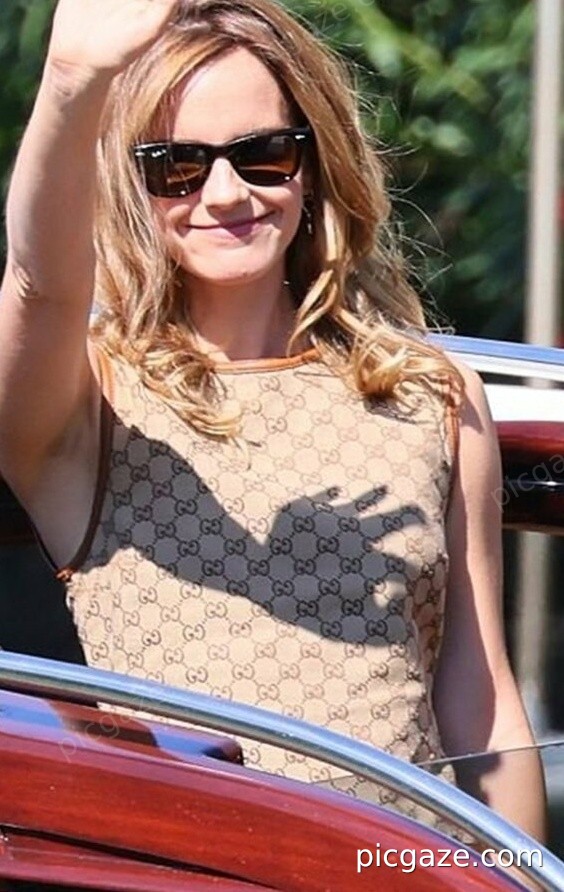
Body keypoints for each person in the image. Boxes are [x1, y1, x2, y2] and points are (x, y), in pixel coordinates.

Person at [0, 0, 545, 836]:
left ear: (312, 164)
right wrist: (73, 81)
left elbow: (482, 709)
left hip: (401, 873)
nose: (226, 194)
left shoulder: (432, 392)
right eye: (177, 166)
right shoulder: (87, 401)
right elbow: (40, 288)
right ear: (129, 183)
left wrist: (518, 877)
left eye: (263, 155)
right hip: (190, 874)